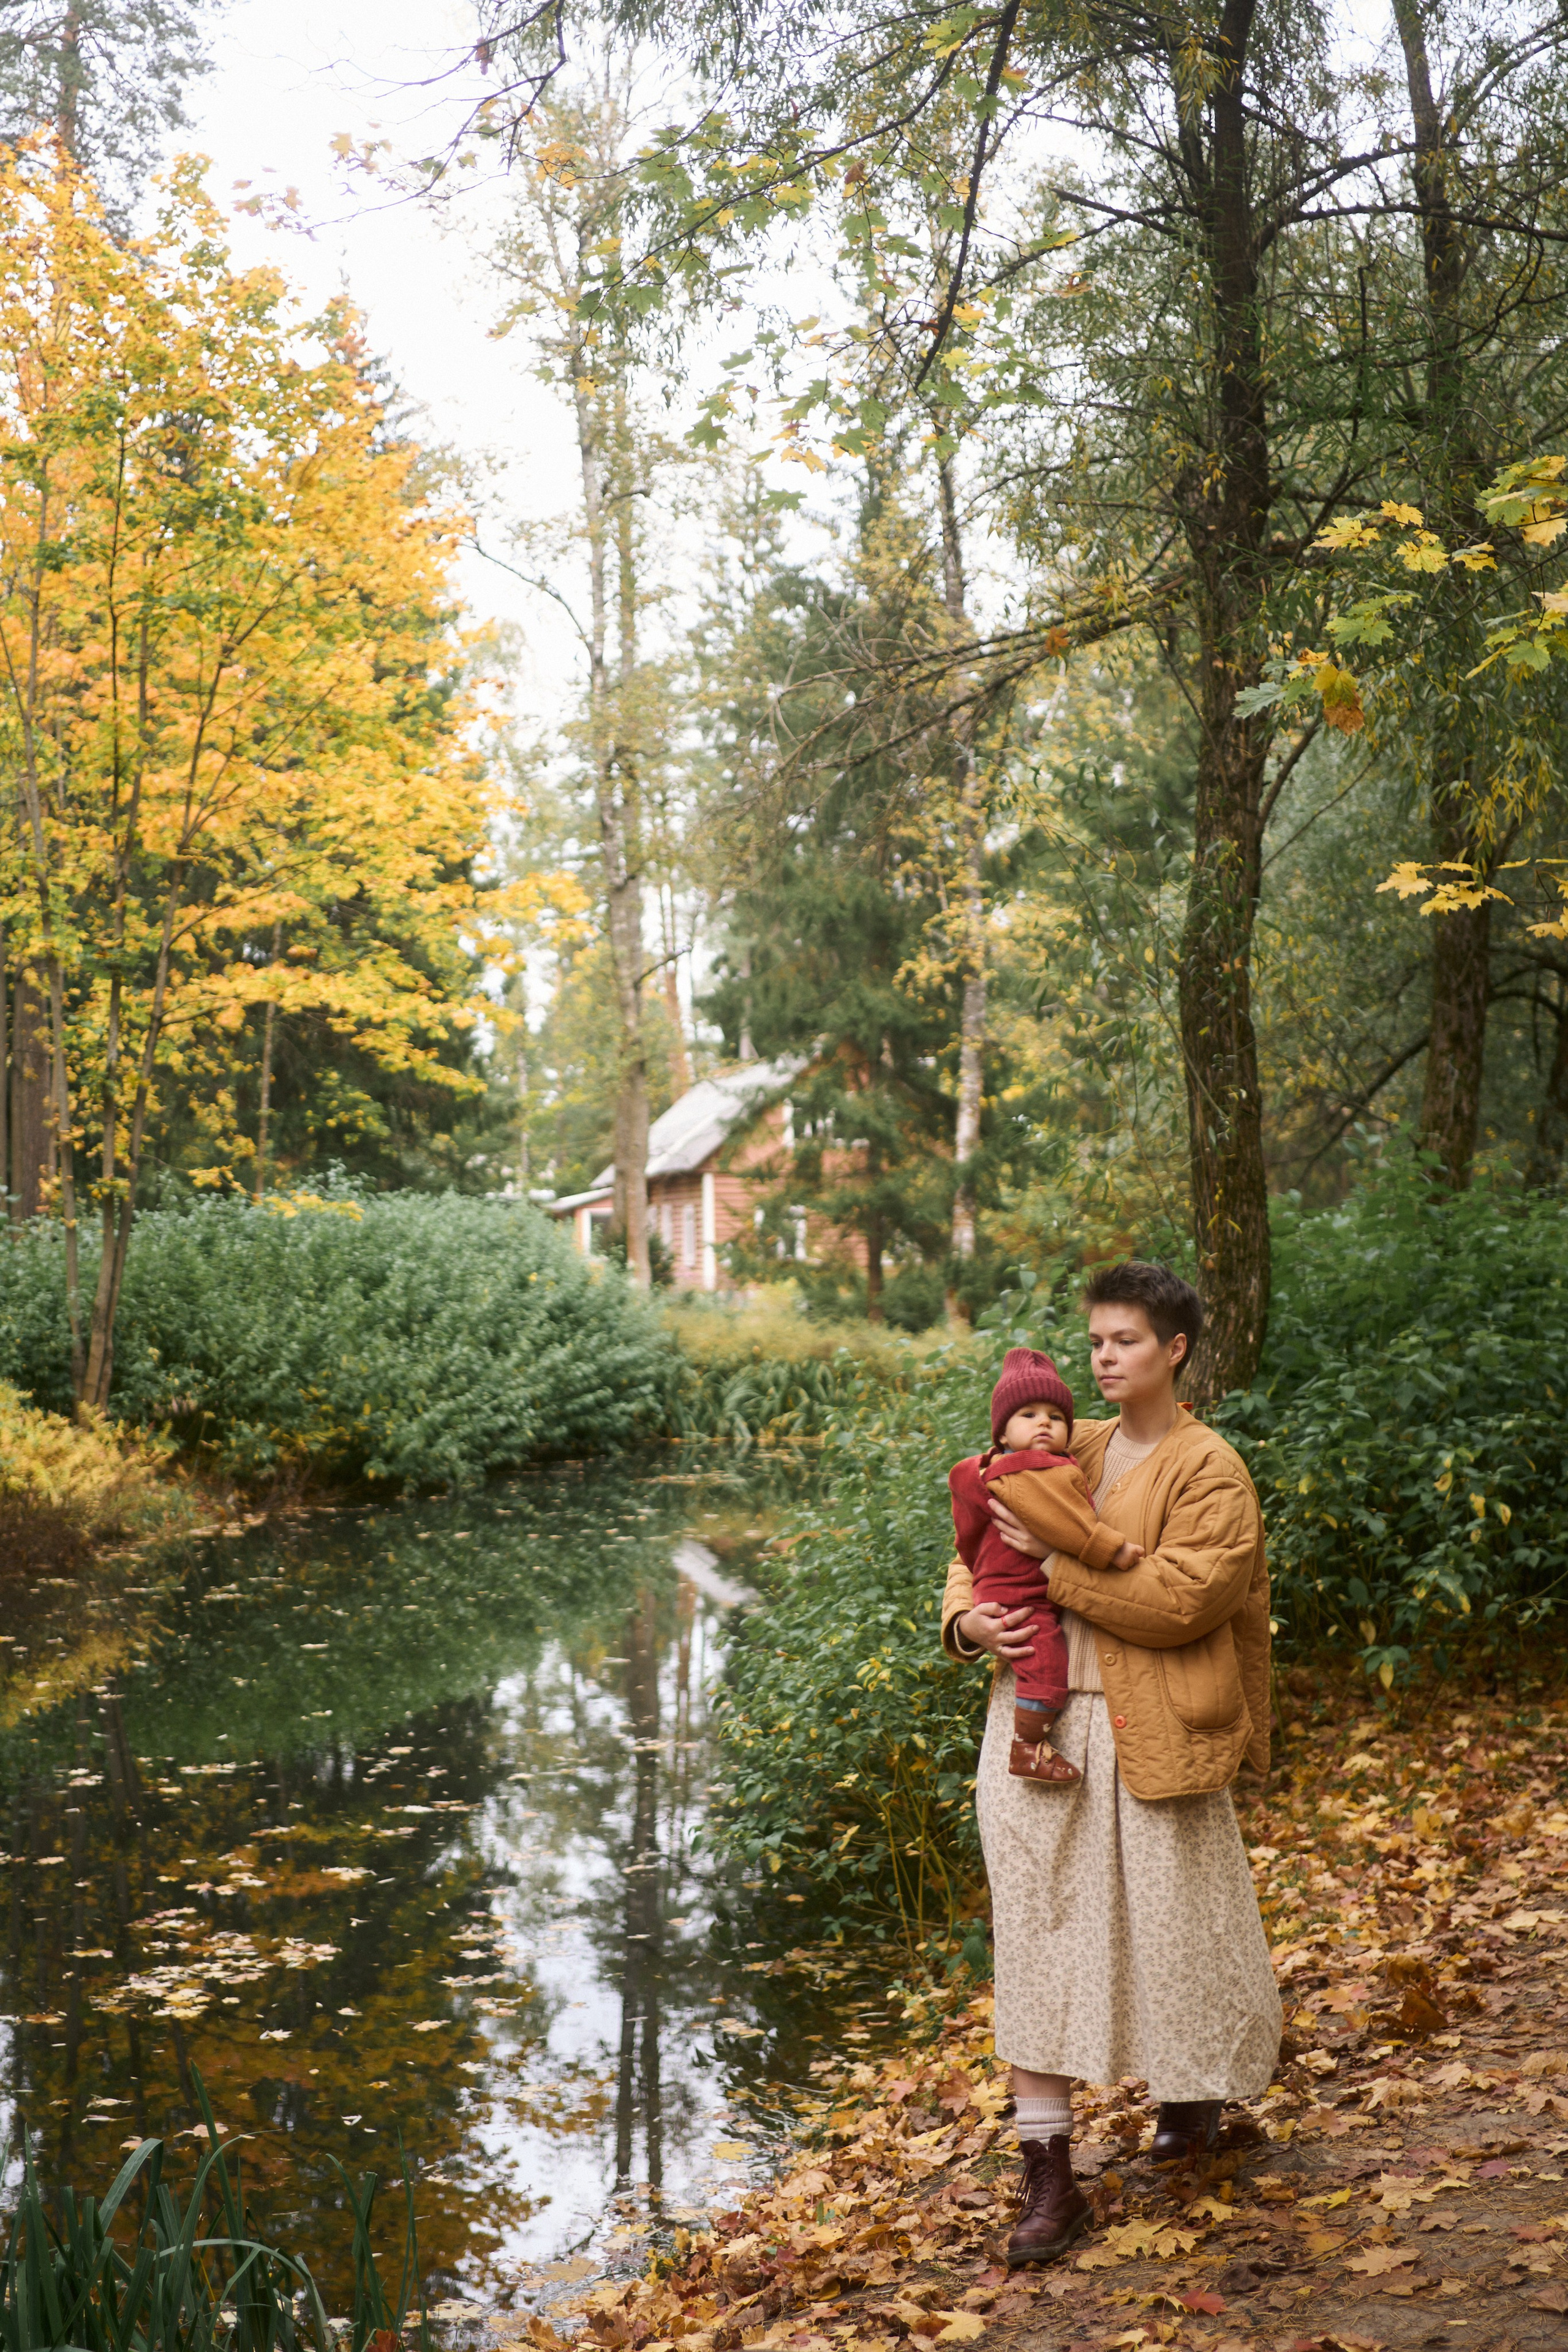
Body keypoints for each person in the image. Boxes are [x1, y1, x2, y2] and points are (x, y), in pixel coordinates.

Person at [941, 1262, 1280, 2269]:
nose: (1102, 1357)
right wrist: (967, 1621)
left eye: (1124, 1340)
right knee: (1040, 1944)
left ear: (1174, 1350)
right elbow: (967, 1545)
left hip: (1155, 1729)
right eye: (1094, 1341)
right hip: (1033, 1730)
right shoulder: (1061, 1442)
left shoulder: (1207, 1467)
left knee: (1179, 1930)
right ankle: (1051, 2177)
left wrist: (1053, 1573)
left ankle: (1191, 2100)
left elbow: (1185, 1600)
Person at [949, 1347, 1144, 1785]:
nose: (1044, 1423)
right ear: (1001, 1433)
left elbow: (967, 1542)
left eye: (1056, 1417)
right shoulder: (1036, 1470)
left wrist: (980, 1566)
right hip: (1020, 1591)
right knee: (1045, 1655)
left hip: (1002, 1581)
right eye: (1029, 1414)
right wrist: (1109, 1550)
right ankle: (1028, 1745)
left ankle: (1028, 1742)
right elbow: (1071, 1525)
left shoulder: (994, 1470)